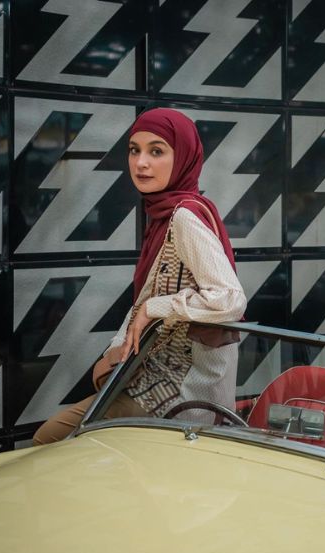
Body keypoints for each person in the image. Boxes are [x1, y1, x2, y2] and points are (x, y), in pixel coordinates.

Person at [33, 108, 246, 445]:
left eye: (156, 151)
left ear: (183, 158)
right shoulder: (165, 212)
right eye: (135, 150)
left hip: (176, 396)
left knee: (52, 440)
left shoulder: (183, 217)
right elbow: (148, 294)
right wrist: (116, 349)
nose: (141, 163)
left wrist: (156, 308)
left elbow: (230, 299)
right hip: (147, 381)